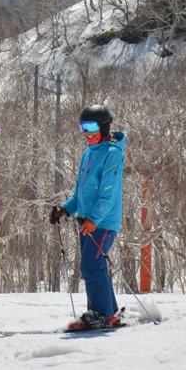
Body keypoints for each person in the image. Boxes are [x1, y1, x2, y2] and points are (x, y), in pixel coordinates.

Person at [49, 104, 126, 330]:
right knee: (94, 264)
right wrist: (65, 209)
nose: (87, 132)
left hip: (102, 223)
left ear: (103, 127)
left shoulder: (112, 154)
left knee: (91, 265)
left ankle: (101, 313)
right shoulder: (89, 153)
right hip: (87, 222)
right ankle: (107, 312)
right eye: (83, 127)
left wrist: (93, 219)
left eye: (91, 126)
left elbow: (108, 195)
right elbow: (81, 194)